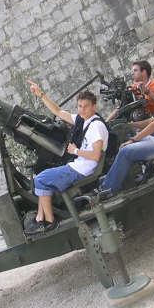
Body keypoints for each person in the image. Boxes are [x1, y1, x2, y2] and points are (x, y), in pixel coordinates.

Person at [25, 80, 109, 236]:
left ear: (94, 107)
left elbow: (96, 155)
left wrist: (75, 151)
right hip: (78, 165)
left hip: (83, 170)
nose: (82, 110)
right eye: (79, 106)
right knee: (42, 179)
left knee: (41, 180)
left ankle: (49, 222)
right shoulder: (83, 120)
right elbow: (58, 111)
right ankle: (40, 219)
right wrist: (41, 94)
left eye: (85, 106)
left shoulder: (96, 126)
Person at [99, 71, 154, 197]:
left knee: (126, 151)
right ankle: (128, 177)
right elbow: (150, 121)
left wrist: (134, 140)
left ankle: (108, 190)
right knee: (124, 140)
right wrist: (129, 124)